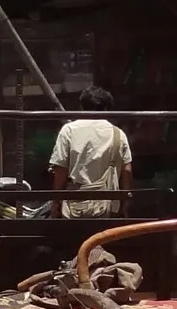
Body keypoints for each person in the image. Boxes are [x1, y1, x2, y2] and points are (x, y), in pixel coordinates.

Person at [48, 89, 132, 220]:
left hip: (74, 207)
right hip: (109, 208)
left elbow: (60, 170)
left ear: (82, 106)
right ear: (107, 109)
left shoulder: (69, 130)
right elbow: (127, 171)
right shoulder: (118, 134)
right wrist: (125, 204)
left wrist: (55, 202)